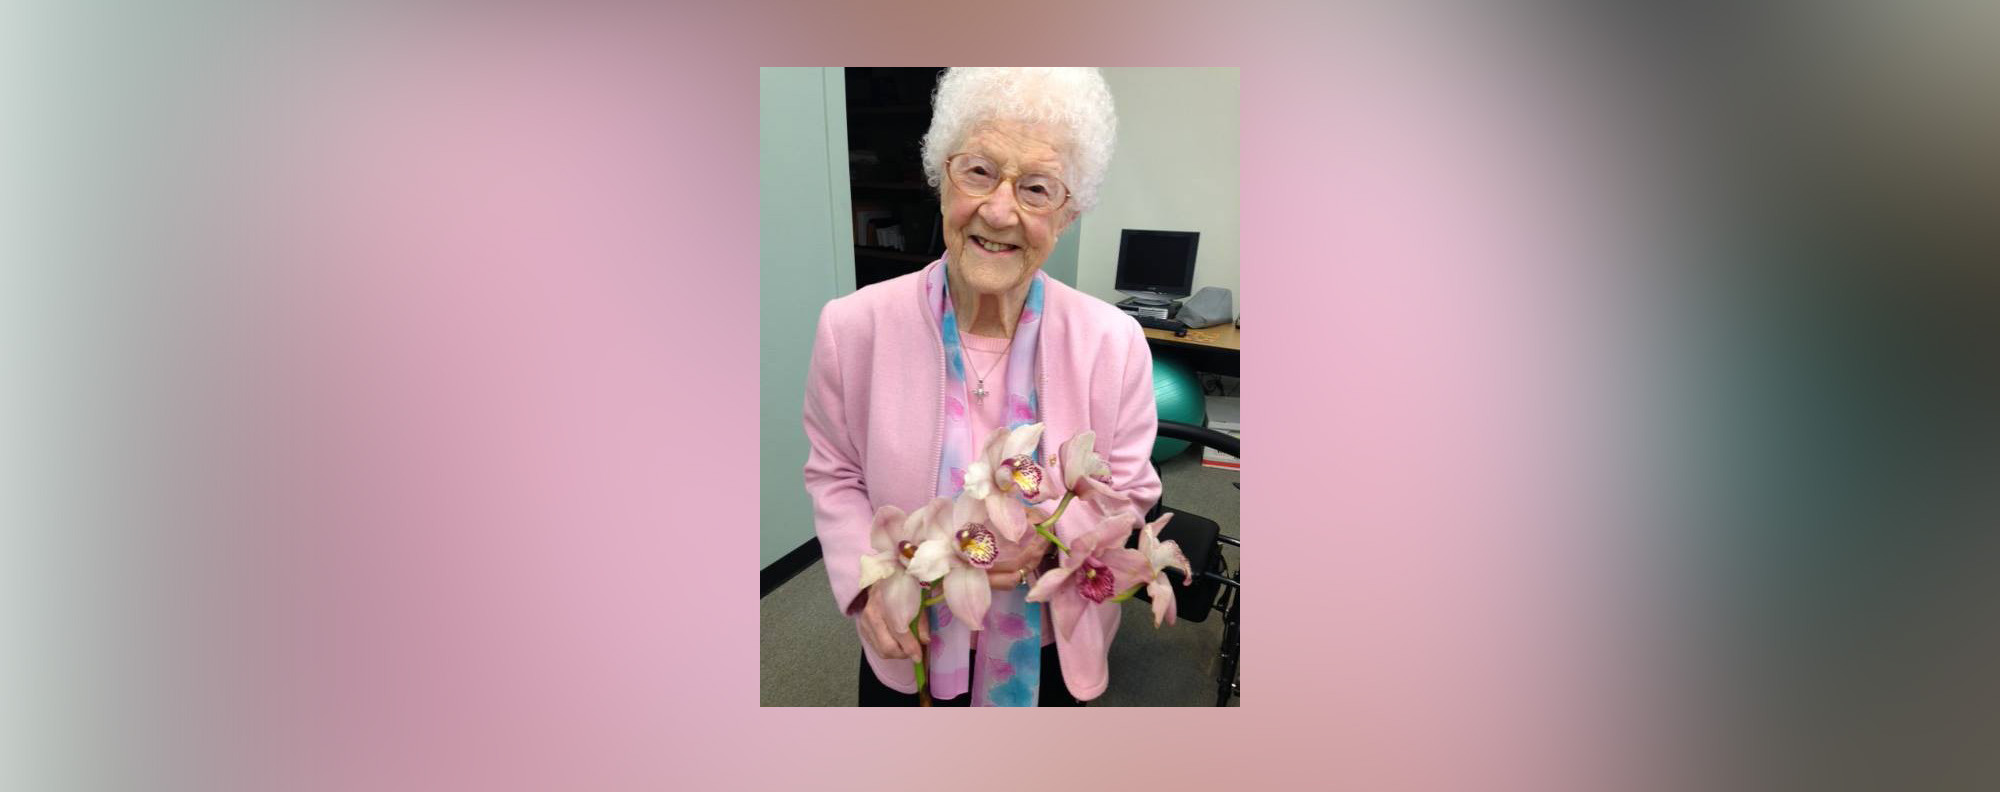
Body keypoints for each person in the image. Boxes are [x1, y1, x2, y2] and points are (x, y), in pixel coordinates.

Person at [803, 67, 1160, 706]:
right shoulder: (852, 327)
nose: (999, 210)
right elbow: (834, 475)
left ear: (1069, 211)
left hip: (1050, 645)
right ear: (941, 177)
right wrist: (869, 585)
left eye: (1037, 188)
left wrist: (1042, 551)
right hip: (907, 638)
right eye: (978, 171)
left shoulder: (1114, 342)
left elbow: (1129, 491)